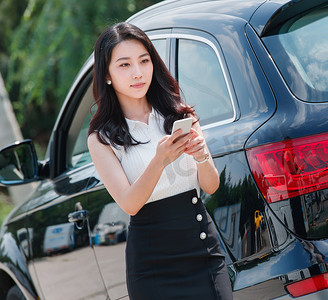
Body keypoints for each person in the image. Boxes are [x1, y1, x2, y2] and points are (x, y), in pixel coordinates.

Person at [87, 22, 233, 300]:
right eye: (125, 65)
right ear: (106, 75)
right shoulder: (102, 138)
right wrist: (160, 161)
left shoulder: (180, 115)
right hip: (152, 265)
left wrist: (202, 156)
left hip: (203, 249)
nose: (138, 72)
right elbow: (130, 203)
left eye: (144, 61)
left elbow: (211, 186)